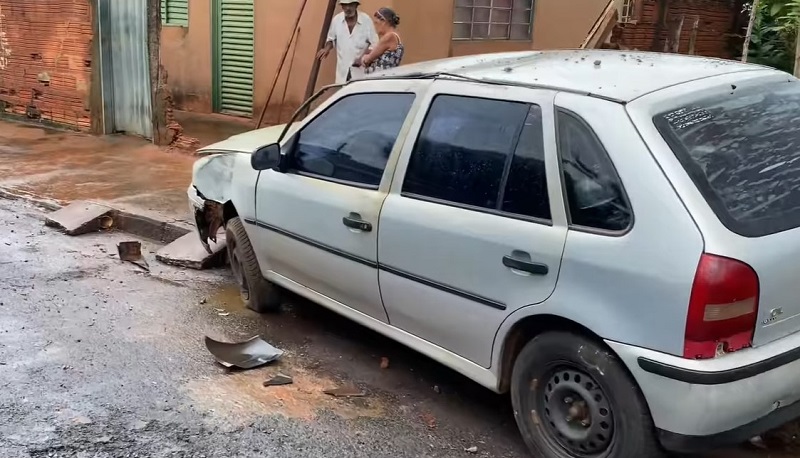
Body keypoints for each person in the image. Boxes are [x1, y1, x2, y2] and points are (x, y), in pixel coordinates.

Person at [316, 0, 378, 84]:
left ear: (356, 5)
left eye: (351, 5)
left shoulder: (366, 20)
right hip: (342, 73)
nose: (348, 8)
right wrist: (327, 48)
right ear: (342, 6)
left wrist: (363, 57)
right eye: (345, 5)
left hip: (361, 74)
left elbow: (375, 44)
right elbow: (331, 39)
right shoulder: (337, 20)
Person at [358, 7, 404, 74]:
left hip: (380, 79)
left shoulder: (389, 37)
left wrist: (364, 58)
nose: (375, 26)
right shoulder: (395, 36)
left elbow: (367, 59)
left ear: (383, 21)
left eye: (376, 23)